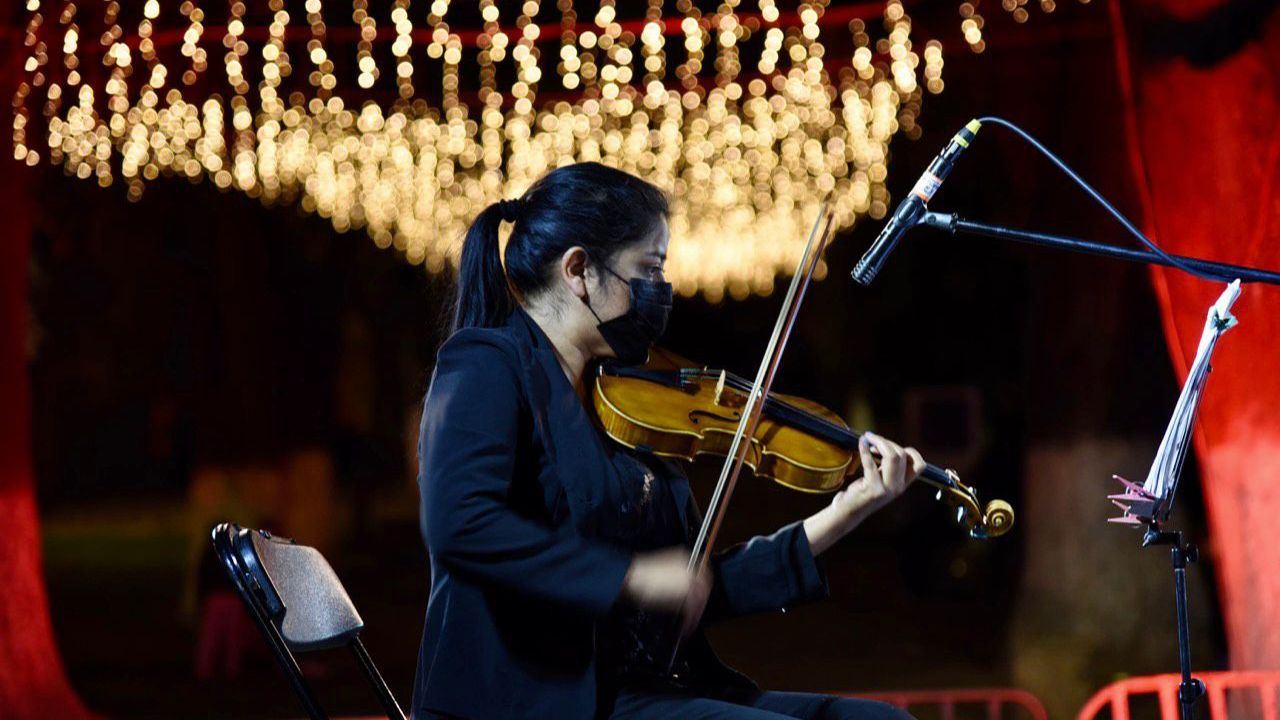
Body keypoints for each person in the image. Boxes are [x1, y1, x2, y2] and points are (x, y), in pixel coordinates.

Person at [413, 162, 926, 720]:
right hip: (543, 703)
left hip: (648, 690)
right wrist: (631, 578)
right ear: (579, 269)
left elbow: (692, 585)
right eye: (649, 269)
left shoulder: (625, 396)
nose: (661, 290)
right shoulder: (488, 364)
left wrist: (847, 511)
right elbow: (460, 525)